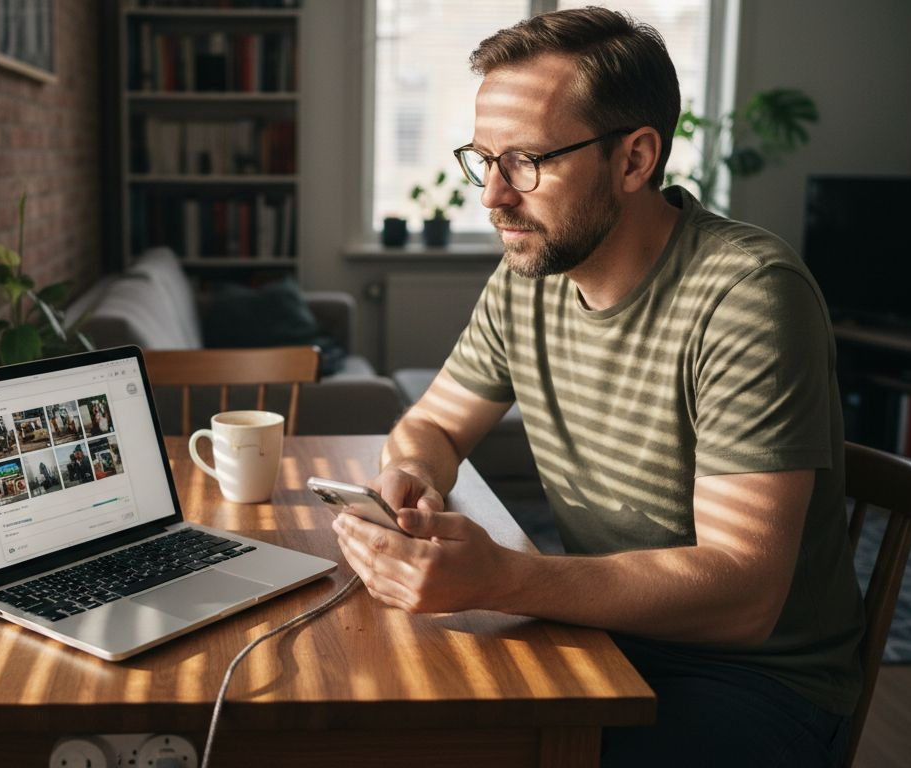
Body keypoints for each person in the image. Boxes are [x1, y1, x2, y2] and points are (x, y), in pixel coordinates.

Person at [331, 8, 862, 767]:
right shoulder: (532, 275)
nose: (491, 197)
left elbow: (744, 595)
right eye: (482, 159)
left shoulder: (747, 295)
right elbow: (435, 429)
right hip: (603, 639)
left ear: (634, 159)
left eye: (523, 162)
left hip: (755, 685)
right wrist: (411, 480)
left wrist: (507, 578)